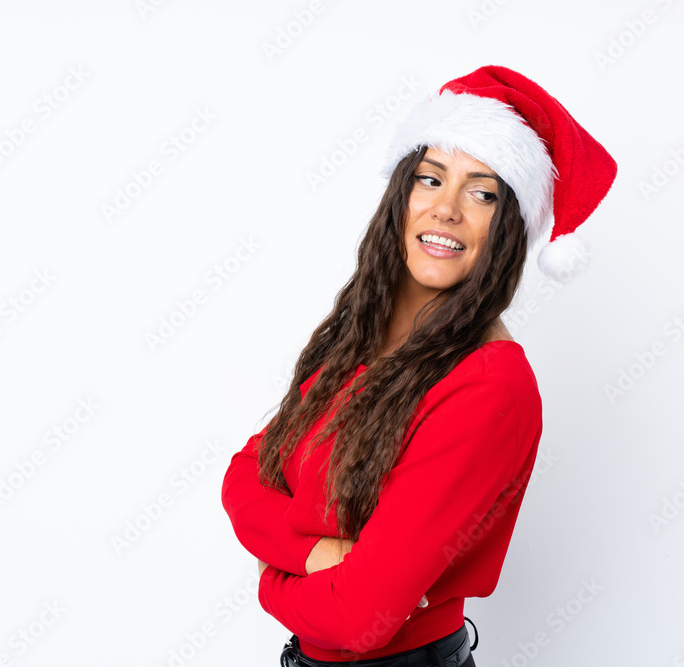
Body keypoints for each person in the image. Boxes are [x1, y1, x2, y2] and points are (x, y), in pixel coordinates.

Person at [221, 64, 617, 666]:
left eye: (482, 192)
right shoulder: (360, 338)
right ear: (401, 195)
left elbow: (359, 617)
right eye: (431, 179)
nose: (447, 209)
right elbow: (247, 474)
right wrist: (313, 557)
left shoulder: (488, 387)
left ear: (508, 227)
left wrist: (269, 574)